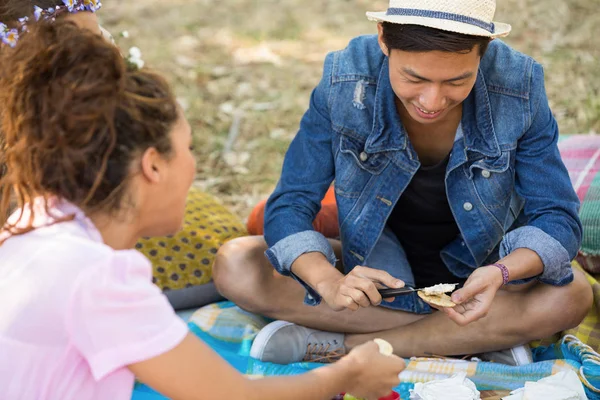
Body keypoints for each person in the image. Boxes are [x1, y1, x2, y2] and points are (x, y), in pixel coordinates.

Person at [0, 17, 405, 400]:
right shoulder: (100, 279)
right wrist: (348, 374)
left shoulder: (31, 223)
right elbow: (233, 395)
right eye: (188, 148)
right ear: (153, 165)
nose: (193, 165)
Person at [213, 0, 594, 366]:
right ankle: (473, 339)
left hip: (485, 277)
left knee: (571, 296)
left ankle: (345, 348)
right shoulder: (344, 80)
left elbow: (557, 217)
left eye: (457, 81)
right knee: (238, 265)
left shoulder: (519, 85)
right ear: (383, 38)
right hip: (376, 272)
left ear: (485, 50)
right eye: (414, 77)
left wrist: (501, 273)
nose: (432, 100)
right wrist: (328, 282)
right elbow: (291, 203)